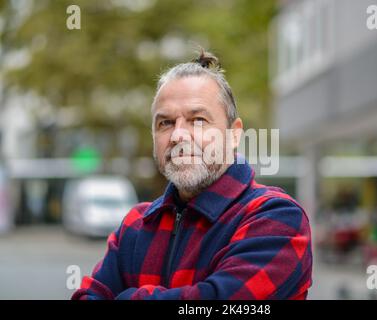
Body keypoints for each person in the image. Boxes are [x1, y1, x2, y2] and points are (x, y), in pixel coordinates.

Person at [72, 49, 313, 300]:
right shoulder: (136, 225)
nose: (178, 136)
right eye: (165, 123)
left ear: (234, 134)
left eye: (197, 120)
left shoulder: (276, 218)